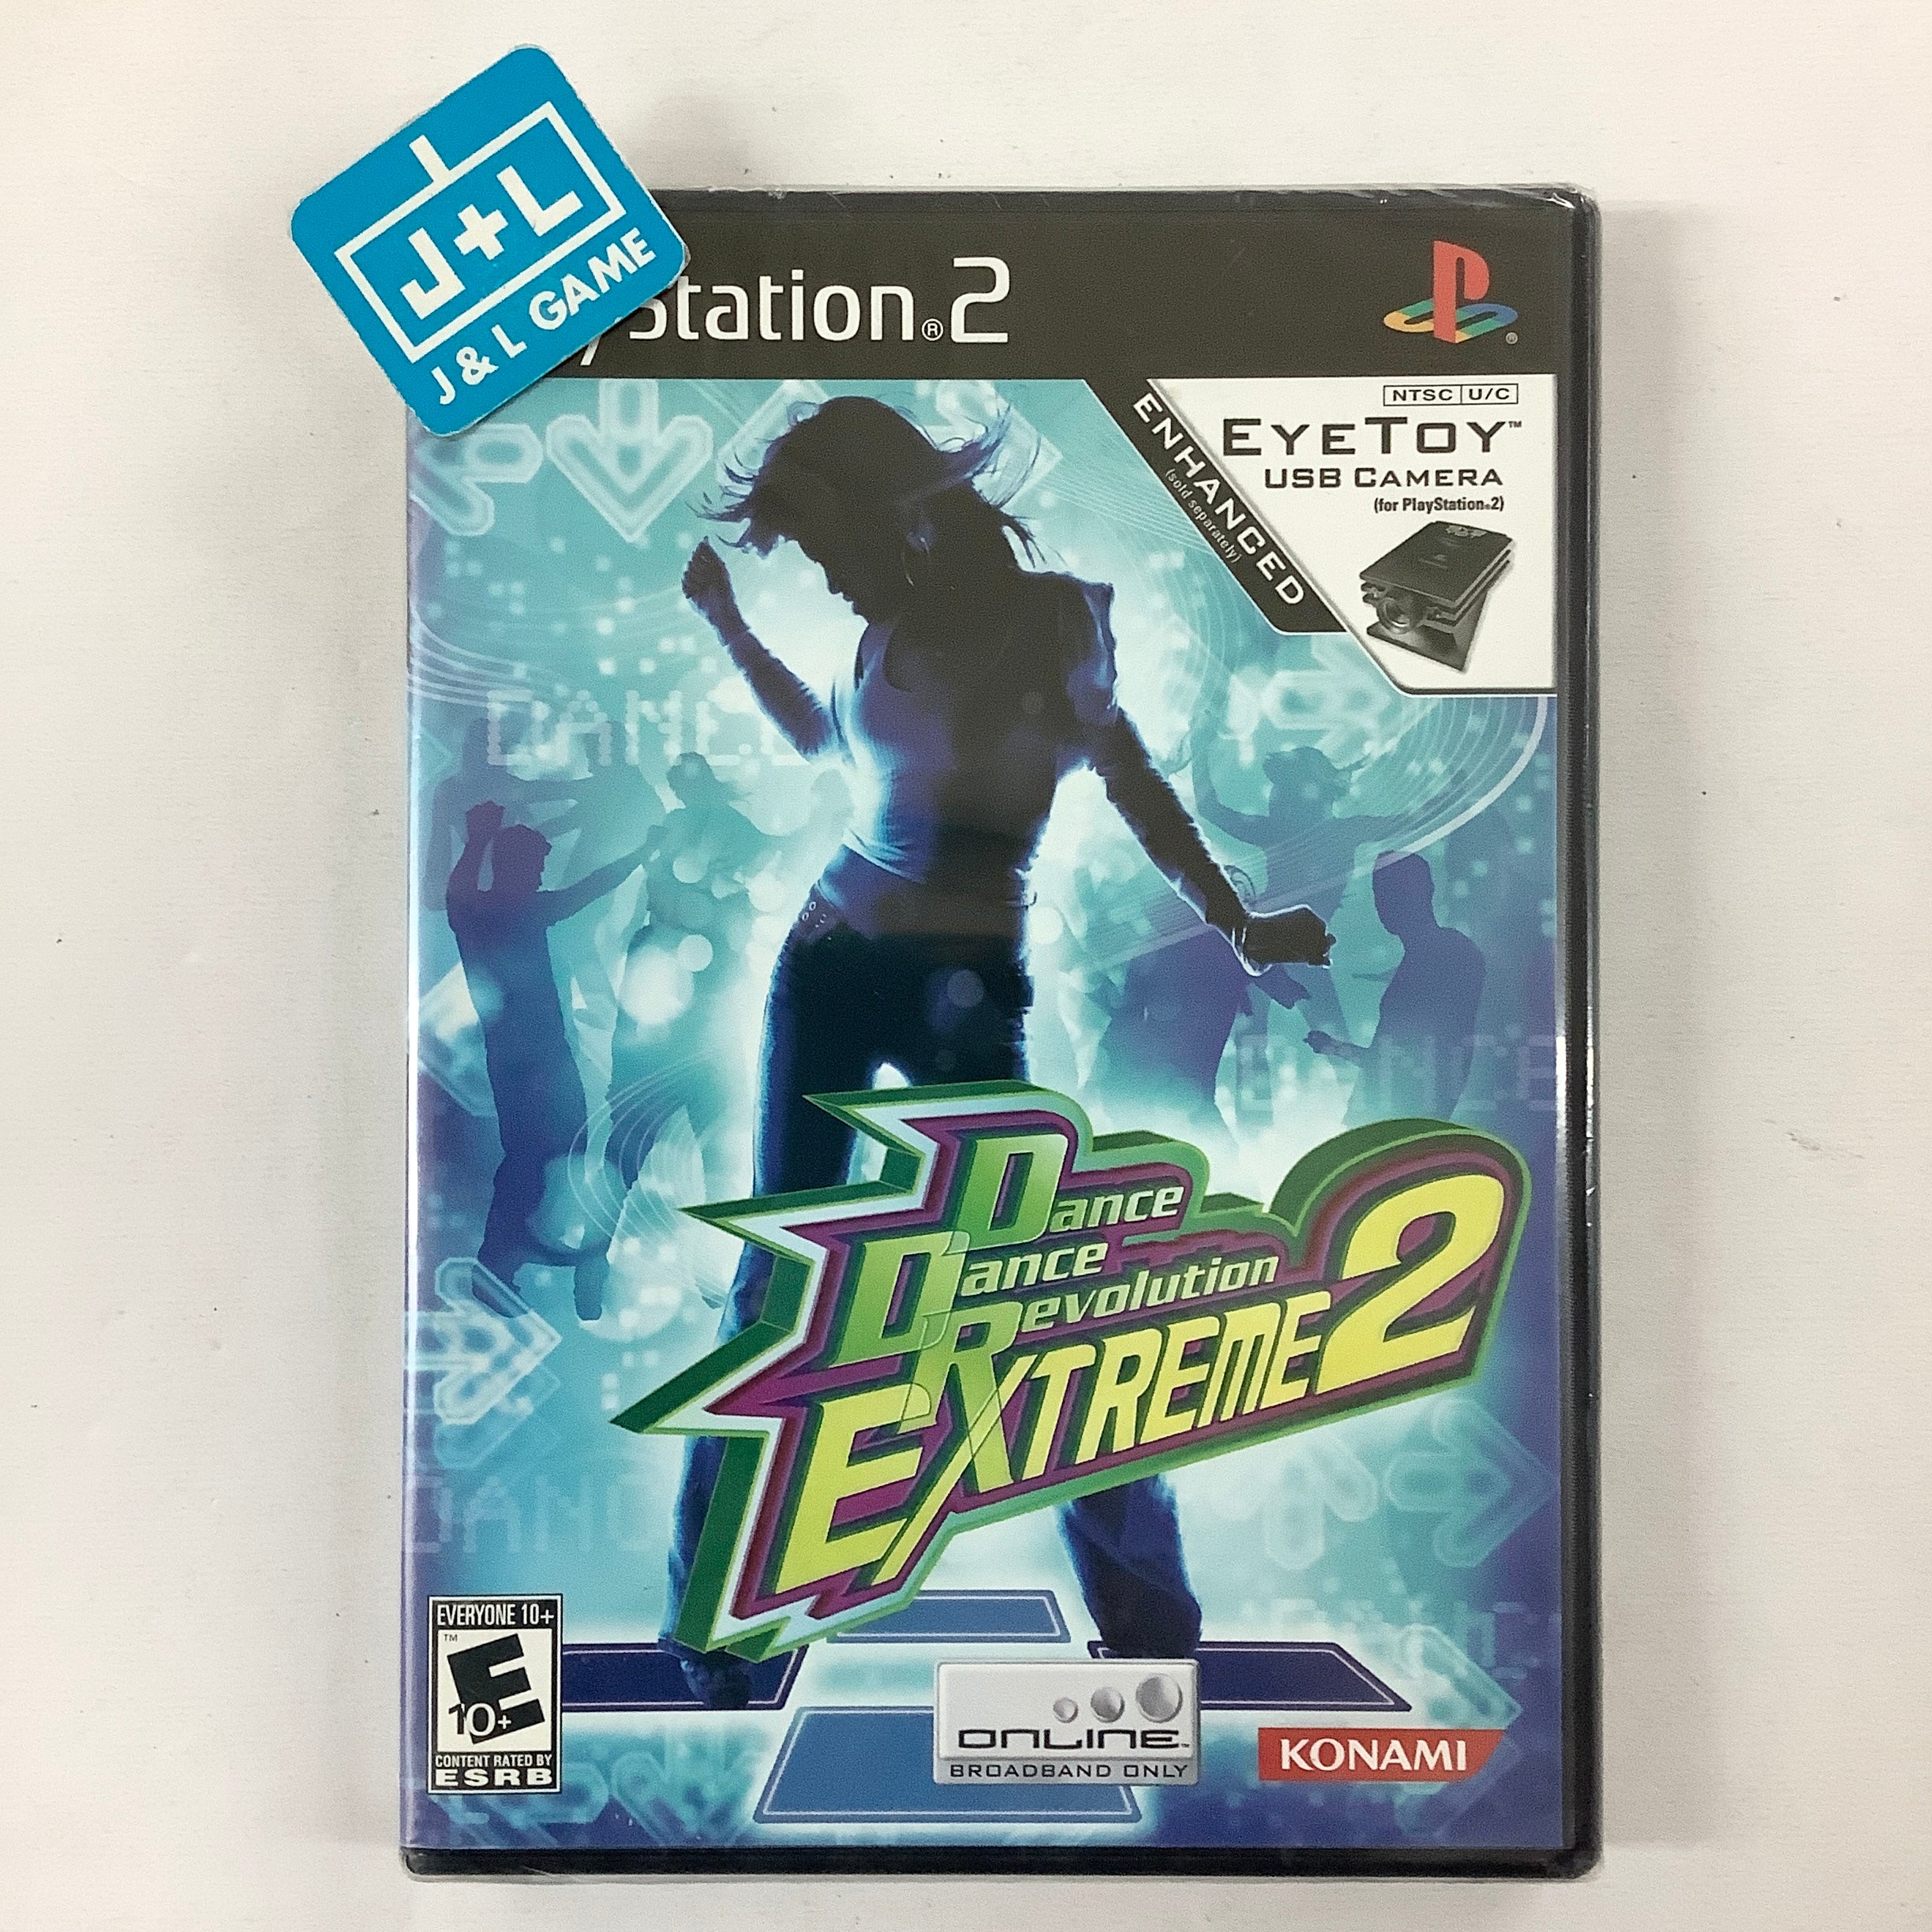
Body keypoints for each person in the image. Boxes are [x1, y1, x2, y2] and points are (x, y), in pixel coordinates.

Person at [665, 395, 1334, 1705]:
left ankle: (1149, 1634)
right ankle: (723, 1639)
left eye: (828, 548)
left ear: (891, 515)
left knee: (1043, 1297)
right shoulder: (882, 628)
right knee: (781, 1289)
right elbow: (822, 740)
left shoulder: (1053, 625)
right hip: (829, 964)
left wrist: (1236, 921)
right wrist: (729, 626)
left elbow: (1130, 776)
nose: (829, 578)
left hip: (965, 994)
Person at [445, 801, 654, 1320]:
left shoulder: (490, 909)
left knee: (550, 1158)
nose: (540, 875)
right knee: (534, 1161)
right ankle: (501, 1267)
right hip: (529, 1065)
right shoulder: (501, 911)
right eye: (535, 867)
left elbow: (587, 888)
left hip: (538, 1060)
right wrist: (479, 839)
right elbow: (590, 887)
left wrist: (479, 838)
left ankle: (513, 1264)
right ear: (515, 867)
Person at [1307, 852, 1486, 1122]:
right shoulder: (1432, 955)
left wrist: (1336, 1048)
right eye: (1379, 894)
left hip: (1399, 1123)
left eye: (1395, 892)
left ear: (1425, 891)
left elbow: (1415, 1061)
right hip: (1387, 1120)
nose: (1385, 905)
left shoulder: (1450, 954)